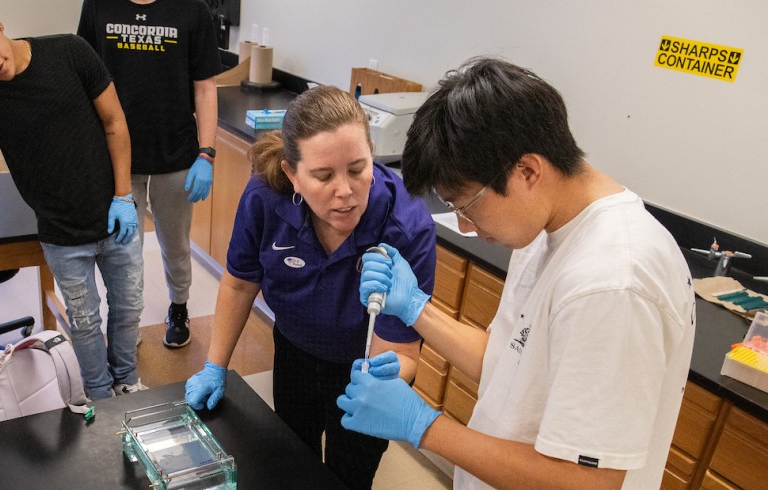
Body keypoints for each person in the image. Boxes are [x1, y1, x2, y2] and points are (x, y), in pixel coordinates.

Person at [339, 58, 696, 489]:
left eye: (465, 206)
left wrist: (424, 426)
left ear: (527, 171)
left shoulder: (613, 281)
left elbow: (587, 483)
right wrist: (418, 310)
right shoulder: (545, 228)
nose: (464, 226)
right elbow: (508, 361)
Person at [184, 86, 437, 489]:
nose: (345, 191)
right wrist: (215, 366)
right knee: (290, 462)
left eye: (357, 169)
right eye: (323, 176)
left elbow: (403, 351)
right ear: (292, 174)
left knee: (348, 476)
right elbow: (240, 284)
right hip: (294, 351)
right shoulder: (266, 198)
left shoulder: (406, 226)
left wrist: (384, 381)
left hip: (364, 369)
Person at [0, 0, 146, 400]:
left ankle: (127, 381)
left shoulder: (70, 51)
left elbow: (115, 122)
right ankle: (99, 393)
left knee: (128, 308)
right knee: (84, 320)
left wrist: (124, 195)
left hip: (116, 218)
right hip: (60, 231)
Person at [77, 0, 221, 349]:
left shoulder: (193, 9)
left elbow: (205, 87)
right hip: (118, 153)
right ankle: (128, 319)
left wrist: (206, 153)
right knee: (124, 248)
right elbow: (84, 79)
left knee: (175, 243)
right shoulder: (98, 5)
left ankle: (179, 307)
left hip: (176, 152)